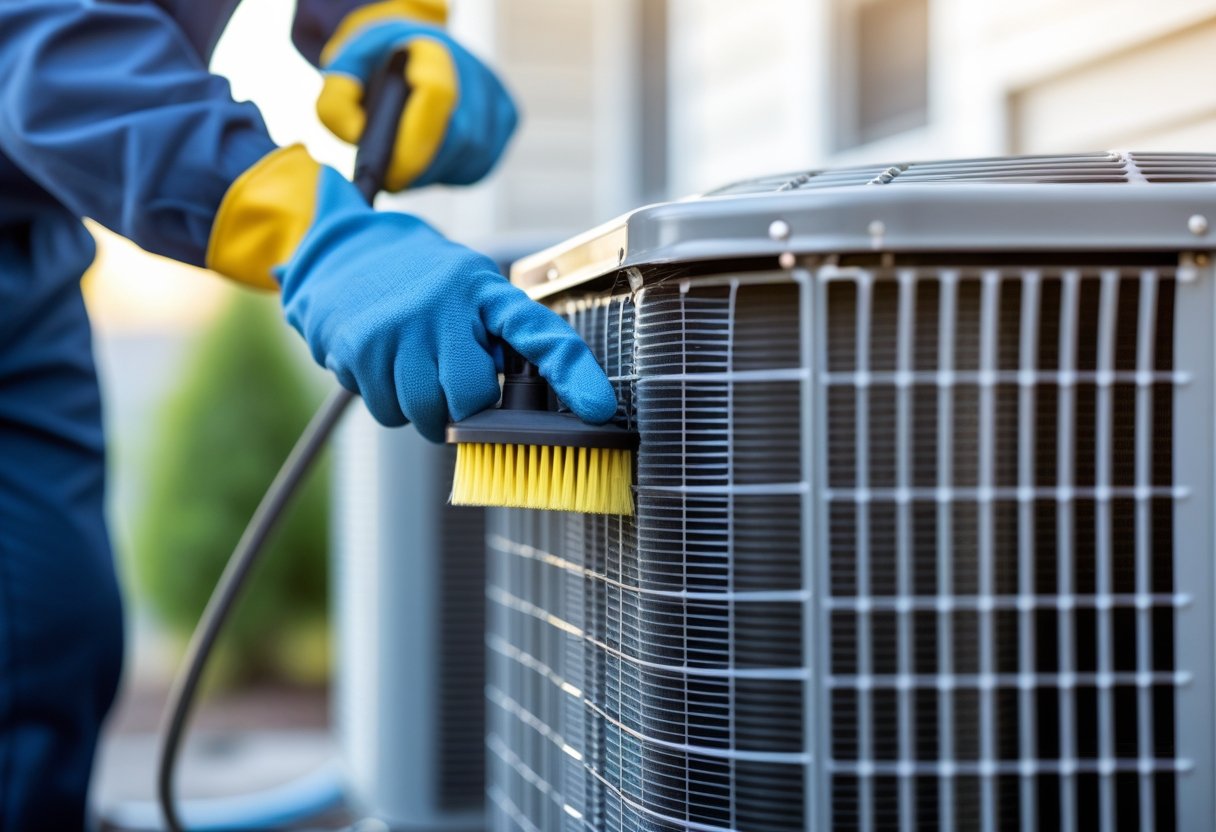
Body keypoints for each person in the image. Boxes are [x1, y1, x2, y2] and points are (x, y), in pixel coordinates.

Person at [0, 0, 617, 827]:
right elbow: (39, 39)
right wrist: (309, 229)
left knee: (49, 632)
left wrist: (379, 18)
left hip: (27, 244)